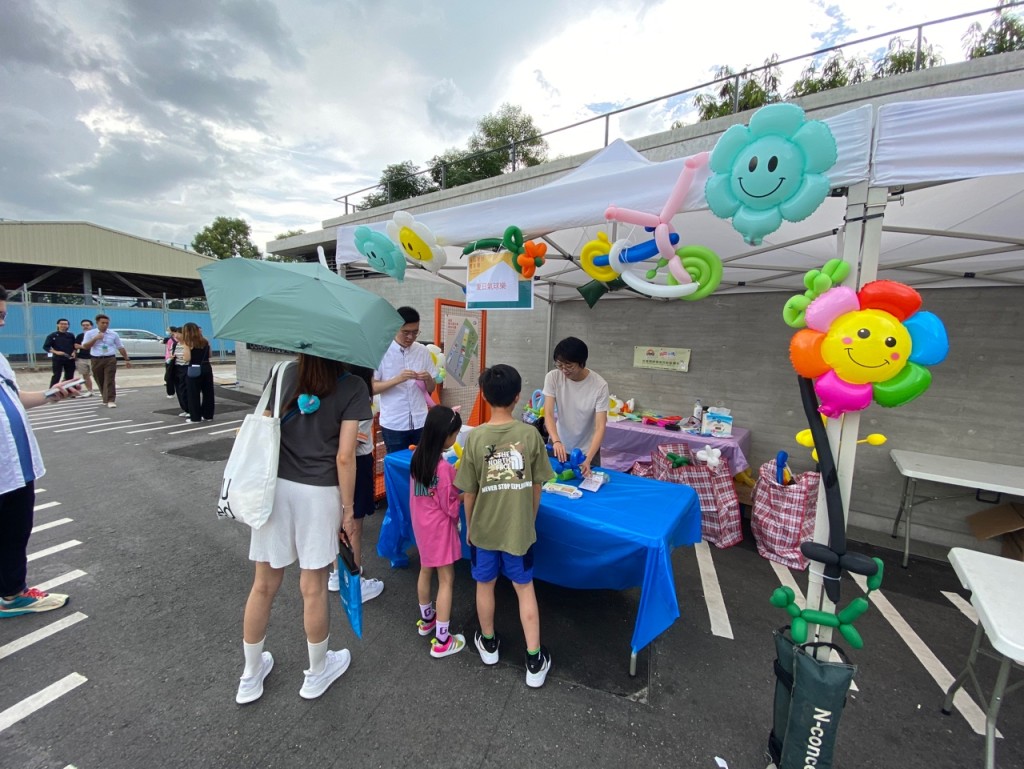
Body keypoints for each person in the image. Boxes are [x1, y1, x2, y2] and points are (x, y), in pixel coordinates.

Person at [237, 353, 371, 704]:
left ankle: (250, 676)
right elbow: (345, 456)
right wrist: (348, 509)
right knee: (312, 586)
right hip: (320, 493)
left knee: (263, 584)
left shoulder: (283, 372)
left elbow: (265, 423)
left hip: (275, 488)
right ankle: (316, 672)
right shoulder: (353, 385)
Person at [454, 364, 554, 687]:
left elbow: (469, 492)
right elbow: (538, 486)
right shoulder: (530, 435)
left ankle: (489, 643)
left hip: (483, 530)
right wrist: (529, 519)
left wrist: (469, 526)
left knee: (485, 585)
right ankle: (535, 659)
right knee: (524, 589)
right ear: (518, 397)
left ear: (483, 395)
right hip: (518, 531)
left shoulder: (476, 437)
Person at [1, 286, 76, 618]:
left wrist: (50, 394)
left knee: (16, 531)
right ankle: (11, 593)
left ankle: (11, 591)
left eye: (3, 315)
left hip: (16, 466)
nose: (2, 323)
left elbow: (15, 398)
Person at [409, 405, 465, 658]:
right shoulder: (443, 469)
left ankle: (426, 619)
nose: (456, 439)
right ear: (445, 436)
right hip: (440, 529)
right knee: (446, 580)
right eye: (455, 434)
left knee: (424, 569)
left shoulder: (418, 457)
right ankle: (443, 639)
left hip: (422, 525)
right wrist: (464, 497)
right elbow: (450, 505)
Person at [327, 365, 384, 603]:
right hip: (355, 463)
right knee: (353, 525)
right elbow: (352, 442)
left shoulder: (333, 389)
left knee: (337, 521)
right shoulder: (358, 393)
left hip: (332, 464)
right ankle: (354, 580)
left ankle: (336, 573)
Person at [373, 306, 437, 454]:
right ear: (395, 328)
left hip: (421, 421)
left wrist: (428, 379)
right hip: (394, 424)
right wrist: (397, 379)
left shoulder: (422, 351)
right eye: (406, 332)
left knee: (422, 466)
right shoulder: (382, 352)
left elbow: (431, 388)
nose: (411, 337)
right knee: (399, 467)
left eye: (415, 332)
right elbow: (372, 387)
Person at [542, 336, 609, 478]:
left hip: (587, 451)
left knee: (587, 491)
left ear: (582, 363)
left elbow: (600, 426)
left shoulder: (599, 385)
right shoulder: (553, 377)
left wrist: (588, 458)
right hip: (558, 445)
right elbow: (548, 413)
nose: (564, 370)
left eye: (569, 365)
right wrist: (556, 440)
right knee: (551, 487)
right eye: (559, 365)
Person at [81, 314, 131, 408]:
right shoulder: (90, 333)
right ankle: (105, 397)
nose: (105, 325)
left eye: (107, 323)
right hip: (96, 359)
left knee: (109, 379)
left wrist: (126, 359)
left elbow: (120, 347)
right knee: (99, 379)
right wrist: (95, 338)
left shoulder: (113, 334)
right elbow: (85, 346)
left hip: (110, 359)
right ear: (97, 323)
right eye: (102, 323)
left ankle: (110, 400)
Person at [179, 322, 215, 423]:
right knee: (208, 393)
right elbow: (210, 355)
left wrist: (183, 355)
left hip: (194, 369)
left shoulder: (188, 343)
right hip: (207, 368)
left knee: (193, 394)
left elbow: (187, 358)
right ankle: (208, 415)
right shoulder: (205, 341)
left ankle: (195, 417)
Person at [42, 318, 77, 387]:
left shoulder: (71, 335)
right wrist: (56, 352)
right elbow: (46, 347)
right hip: (58, 359)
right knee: (57, 375)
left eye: (65, 324)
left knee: (70, 376)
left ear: (68, 325)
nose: (63, 325)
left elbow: (75, 346)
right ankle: (53, 391)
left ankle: (69, 391)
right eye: (61, 324)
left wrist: (74, 352)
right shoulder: (52, 335)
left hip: (69, 358)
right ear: (58, 325)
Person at [73, 319, 95, 397]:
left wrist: (83, 346)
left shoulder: (95, 335)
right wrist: (86, 346)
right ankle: (90, 391)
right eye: (84, 325)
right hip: (82, 358)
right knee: (85, 375)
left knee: (97, 375)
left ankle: (103, 391)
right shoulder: (80, 336)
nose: (85, 327)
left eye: (87, 325)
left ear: (91, 326)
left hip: (93, 358)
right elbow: (76, 346)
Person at [163, 326, 180, 399]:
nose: (167, 331)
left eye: (168, 330)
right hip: (171, 359)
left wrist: (169, 359)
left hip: (170, 359)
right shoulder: (170, 339)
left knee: (169, 376)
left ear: (172, 331)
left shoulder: (171, 340)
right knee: (175, 376)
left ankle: (170, 393)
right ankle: (173, 392)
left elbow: (170, 350)